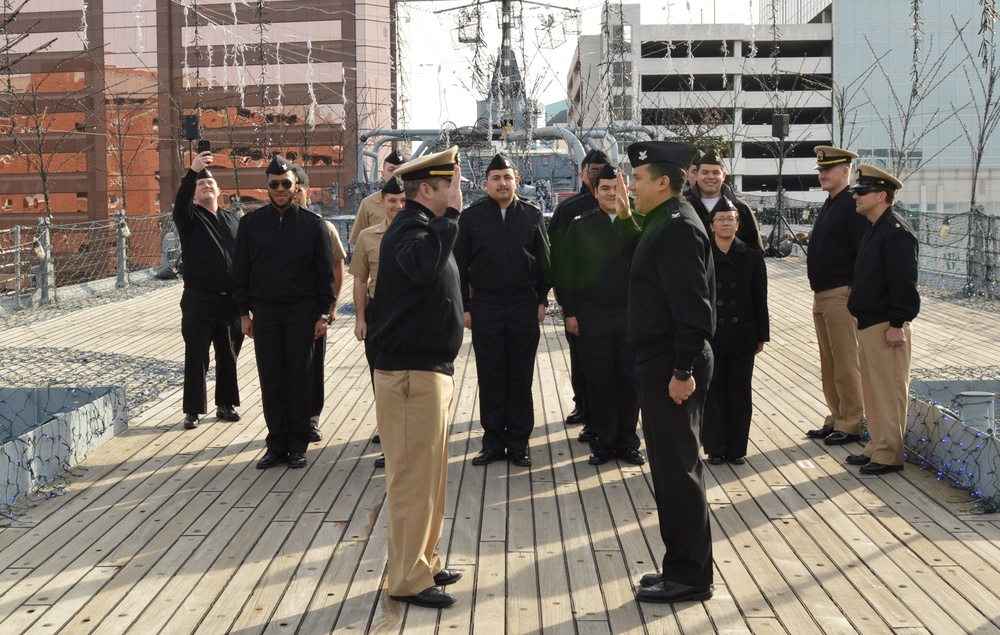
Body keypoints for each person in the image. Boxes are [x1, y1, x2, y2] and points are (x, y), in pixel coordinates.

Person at [617, 141, 716, 604]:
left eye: (637, 179)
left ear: (662, 182)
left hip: (673, 365)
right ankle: (678, 565)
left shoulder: (677, 227)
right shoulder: (664, 220)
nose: (631, 186)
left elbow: (692, 310)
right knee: (670, 469)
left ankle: (692, 576)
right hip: (660, 360)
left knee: (679, 471)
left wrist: (682, 369)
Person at [374, 146, 465, 609]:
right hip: (410, 375)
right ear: (427, 189)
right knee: (412, 480)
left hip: (429, 372)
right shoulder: (410, 229)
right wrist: (450, 218)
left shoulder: (424, 227)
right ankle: (407, 578)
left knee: (430, 478)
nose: (459, 192)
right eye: (452, 185)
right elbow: (422, 265)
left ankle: (422, 561)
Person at [232, 154, 336, 470]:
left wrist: (323, 314)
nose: (280, 188)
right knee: (271, 378)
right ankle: (275, 443)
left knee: (299, 378)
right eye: (274, 184)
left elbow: (325, 275)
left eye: (285, 183)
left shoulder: (313, 225)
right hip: (265, 313)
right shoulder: (250, 225)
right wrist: (243, 314)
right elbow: (240, 273)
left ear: (295, 186)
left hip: (301, 313)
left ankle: (297, 444)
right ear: (267, 187)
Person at [454, 153, 551, 468]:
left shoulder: (532, 215)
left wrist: (542, 300)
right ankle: (493, 442)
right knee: (492, 374)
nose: (502, 183)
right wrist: (465, 308)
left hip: (524, 305)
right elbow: (459, 267)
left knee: (520, 376)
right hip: (486, 306)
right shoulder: (471, 218)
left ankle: (519, 443)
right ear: (486, 184)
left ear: (517, 181)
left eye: (507, 177)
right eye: (495, 178)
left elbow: (544, 261)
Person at [559, 163, 644, 467]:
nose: (611, 193)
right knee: (599, 380)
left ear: (625, 190)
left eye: (616, 187)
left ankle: (628, 442)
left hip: (630, 315)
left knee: (629, 380)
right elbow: (566, 272)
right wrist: (569, 312)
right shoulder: (580, 226)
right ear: (594, 193)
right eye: (604, 188)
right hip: (592, 316)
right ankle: (603, 443)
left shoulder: (639, 224)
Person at [846, 164, 919, 475]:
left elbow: (904, 283)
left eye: (861, 192)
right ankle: (877, 444)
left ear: (881, 195)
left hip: (886, 325)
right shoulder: (875, 227)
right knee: (873, 391)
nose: (856, 197)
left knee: (888, 391)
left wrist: (897, 324)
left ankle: (890, 454)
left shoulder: (896, 233)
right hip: (867, 322)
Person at [172, 150, 243, 429]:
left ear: (219, 191)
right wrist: (192, 172)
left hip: (230, 301)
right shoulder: (188, 218)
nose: (206, 185)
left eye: (210, 183)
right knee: (196, 353)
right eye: (201, 184)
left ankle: (225, 405)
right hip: (199, 298)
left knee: (228, 353)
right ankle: (192, 410)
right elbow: (179, 204)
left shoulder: (234, 220)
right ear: (194, 193)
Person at [805, 146, 869, 446]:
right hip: (822, 294)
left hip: (841, 294)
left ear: (846, 171)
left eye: (828, 170)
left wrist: (855, 293)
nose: (822, 174)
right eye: (820, 170)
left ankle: (851, 421)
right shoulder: (832, 203)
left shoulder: (851, 204)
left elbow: (863, 252)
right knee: (829, 361)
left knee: (846, 361)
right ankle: (836, 415)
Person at [547, 149, 609, 435]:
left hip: (612, 301)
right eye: (592, 171)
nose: (596, 176)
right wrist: (561, 294)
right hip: (579, 299)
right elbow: (557, 255)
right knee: (580, 356)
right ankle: (582, 404)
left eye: (602, 170)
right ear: (582, 173)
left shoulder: (620, 206)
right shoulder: (568, 209)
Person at [702, 202, 770, 465]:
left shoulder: (751, 256)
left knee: (740, 393)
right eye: (720, 219)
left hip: (743, 334)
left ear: (738, 224)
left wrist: (761, 335)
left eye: (731, 219)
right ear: (711, 225)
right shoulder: (703, 253)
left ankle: (737, 449)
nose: (726, 223)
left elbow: (759, 298)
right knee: (714, 391)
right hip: (713, 334)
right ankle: (716, 448)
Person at [350, 176, 406, 468]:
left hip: (411, 316)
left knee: (411, 382)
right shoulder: (368, 237)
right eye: (392, 201)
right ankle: (390, 444)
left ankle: (411, 443)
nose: (398, 206)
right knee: (382, 382)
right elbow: (360, 280)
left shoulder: (420, 233)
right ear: (381, 202)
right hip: (379, 314)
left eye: (403, 201)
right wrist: (361, 319)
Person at [291, 163, 346, 443]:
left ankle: (312, 418)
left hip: (313, 310)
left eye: (299, 189)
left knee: (313, 367)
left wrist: (332, 307)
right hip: (282, 311)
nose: (294, 194)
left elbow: (338, 269)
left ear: (307, 192)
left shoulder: (323, 227)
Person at [686, 149, 763, 250]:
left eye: (715, 172)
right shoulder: (686, 207)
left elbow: (755, 249)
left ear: (723, 176)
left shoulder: (740, 207)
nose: (710, 177)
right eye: (705, 172)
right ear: (696, 175)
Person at [349, 150, 406, 245]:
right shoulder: (368, 203)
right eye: (391, 170)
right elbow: (358, 242)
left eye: (401, 170)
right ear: (382, 174)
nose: (397, 174)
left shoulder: (419, 202)